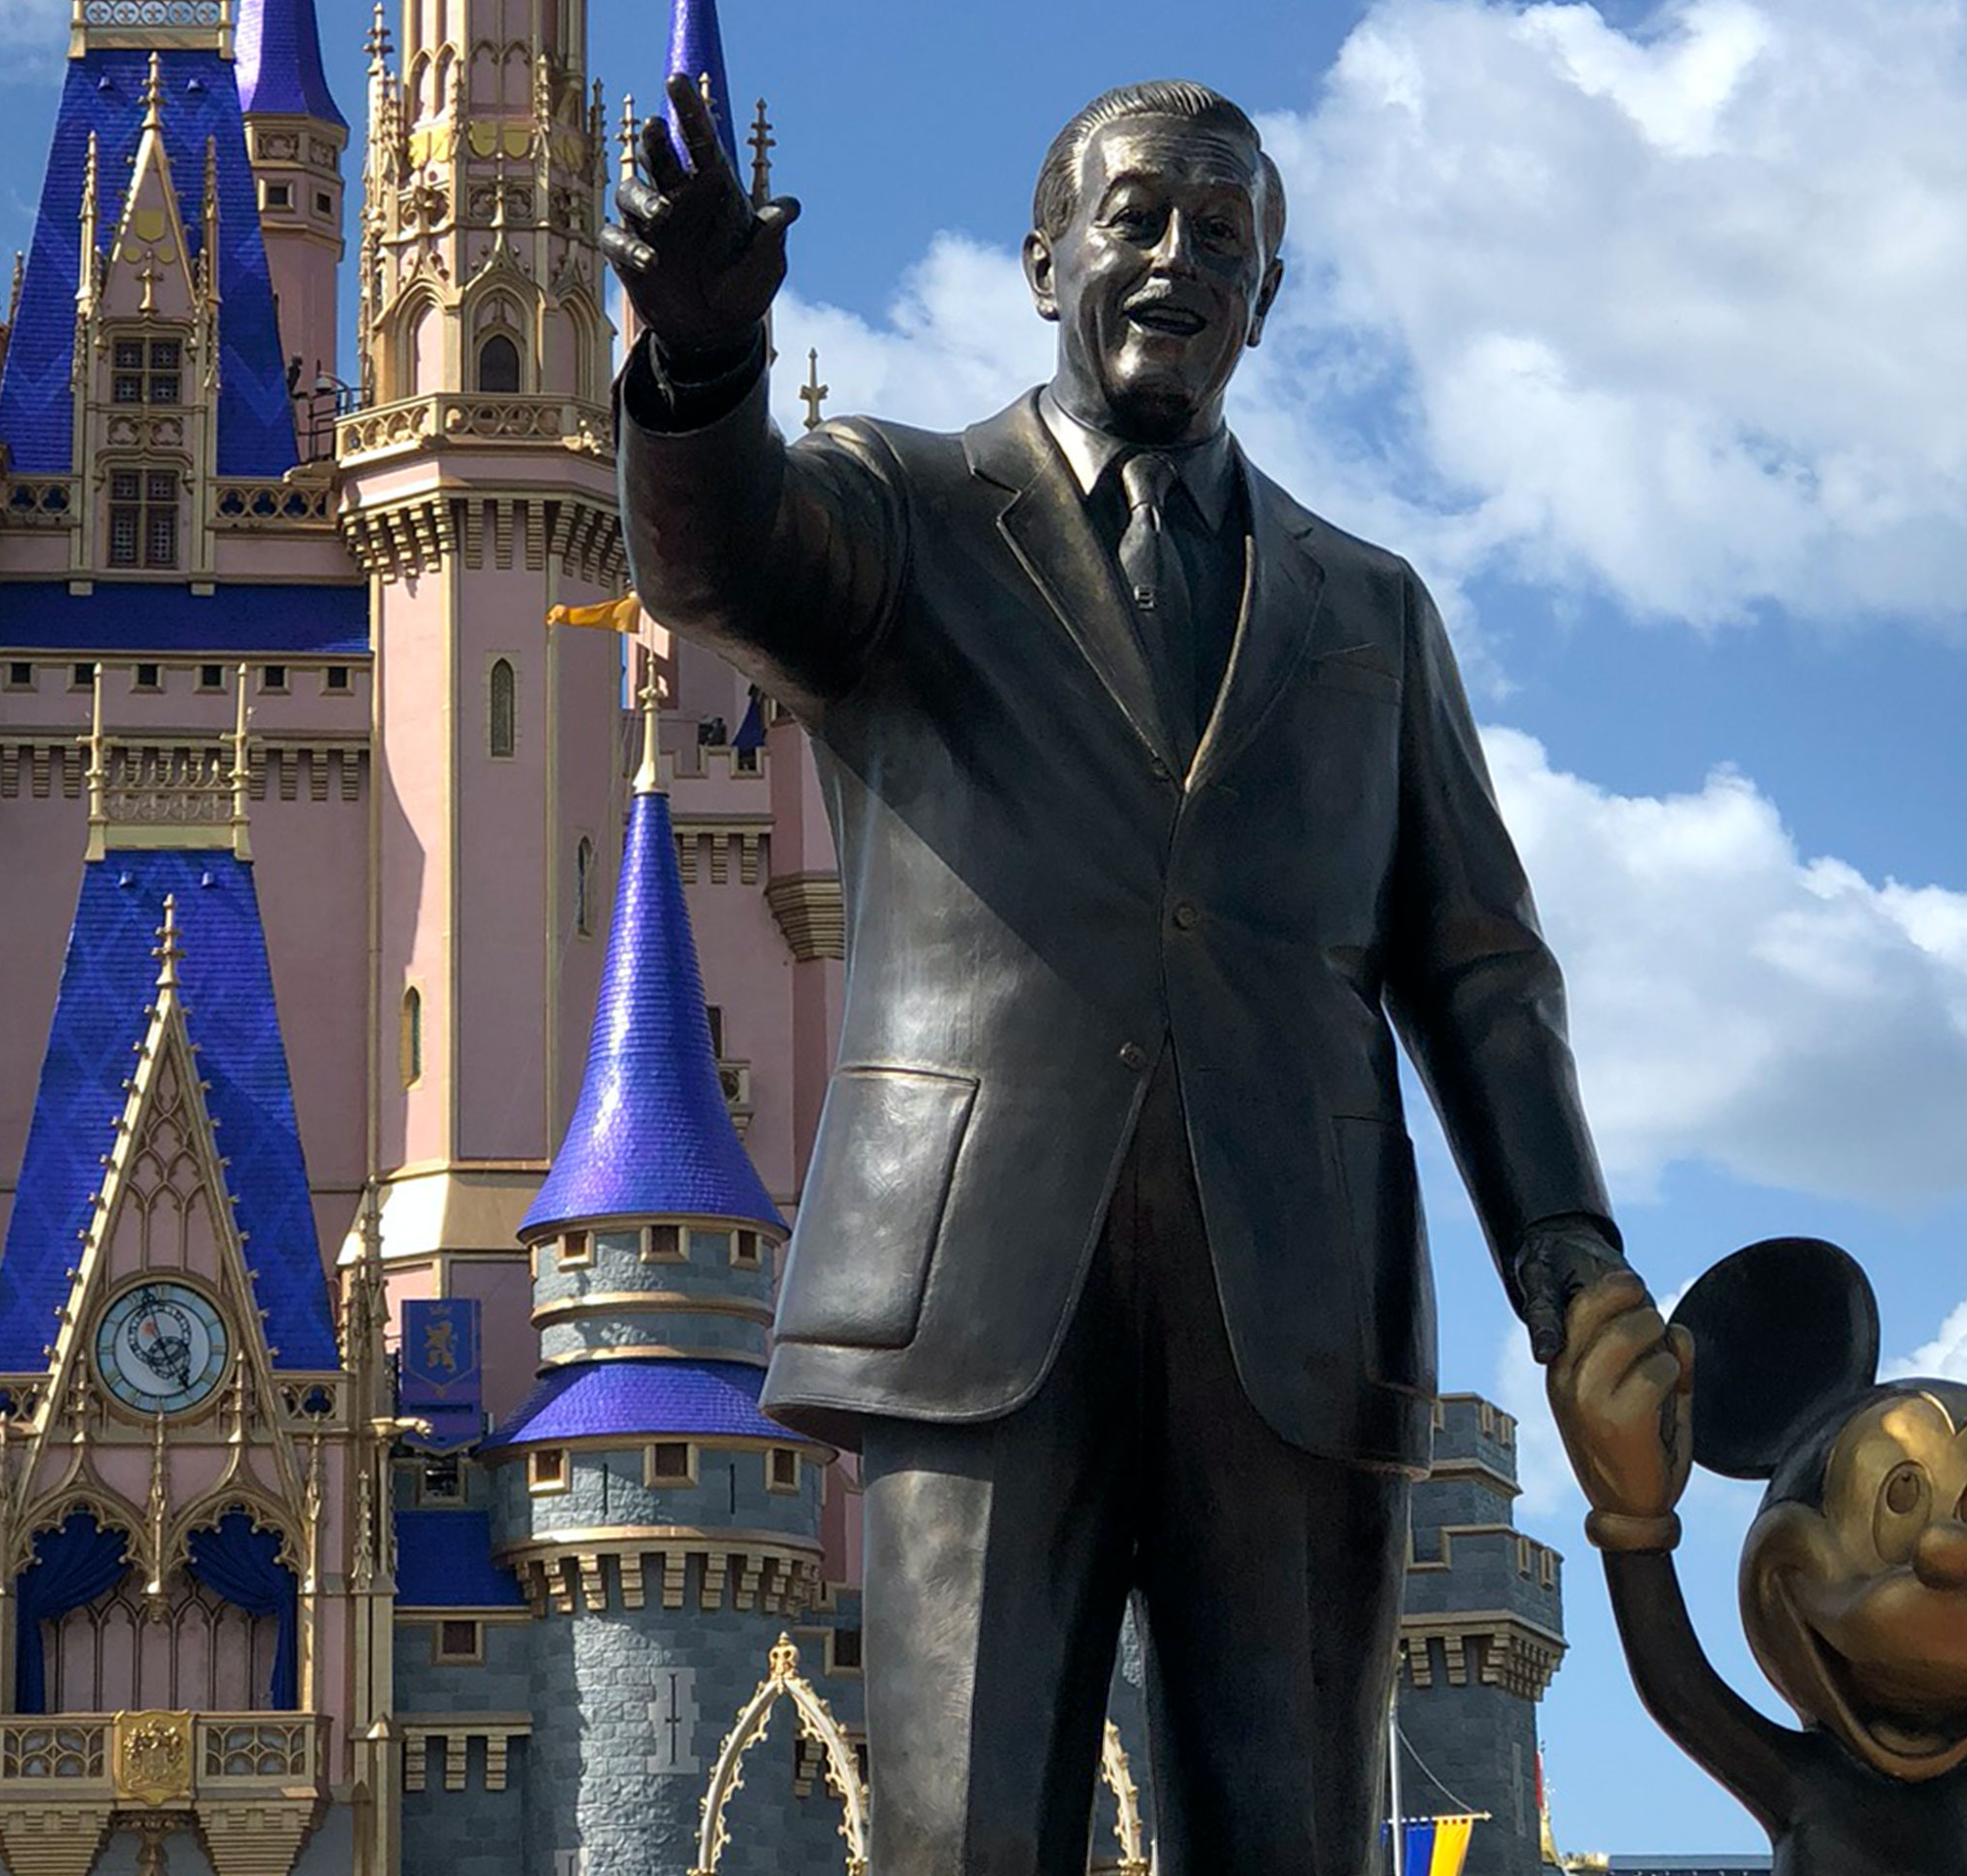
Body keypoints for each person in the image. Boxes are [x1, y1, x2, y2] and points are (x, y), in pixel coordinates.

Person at [608, 75, 1662, 1874]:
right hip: (973, 1298)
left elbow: (1481, 960)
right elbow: (716, 563)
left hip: (1300, 1307)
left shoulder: (1370, 607)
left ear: (1268, 295)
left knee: (1298, 1838)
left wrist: (1566, 1252)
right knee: (962, 1837)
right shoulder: (904, 510)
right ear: (1046, 262)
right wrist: (701, 370)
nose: (1180, 258)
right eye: (1139, 218)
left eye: (1224, 235)